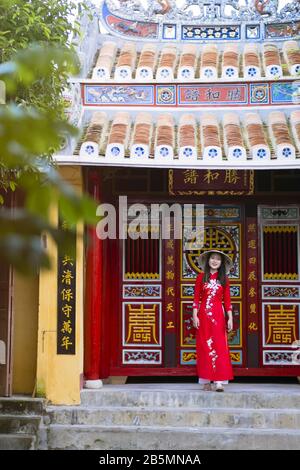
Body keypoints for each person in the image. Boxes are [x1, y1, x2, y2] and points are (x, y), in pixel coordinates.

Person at [192, 250, 234, 392]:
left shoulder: (224, 279)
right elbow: (196, 299)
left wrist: (230, 318)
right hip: (203, 316)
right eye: (212, 258)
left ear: (221, 263)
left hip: (218, 315)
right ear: (208, 261)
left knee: (220, 345)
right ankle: (205, 381)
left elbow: (227, 300)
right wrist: (195, 315)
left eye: (218, 259)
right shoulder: (201, 277)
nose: (215, 261)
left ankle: (219, 382)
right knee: (204, 346)